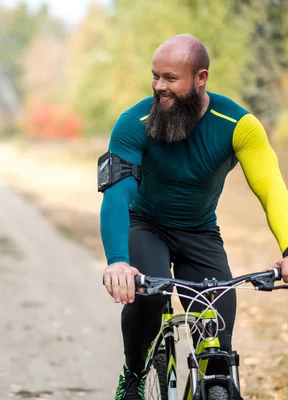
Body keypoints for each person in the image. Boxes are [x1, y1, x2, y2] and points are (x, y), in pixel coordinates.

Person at [98, 34, 288, 400]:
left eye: (170, 78)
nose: (158, 87)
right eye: (155, 76)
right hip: (146, 224)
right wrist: (118, 261)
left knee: (217, 338)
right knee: (148, 297)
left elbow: (271, 186)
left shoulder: (238, 124)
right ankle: (134, 374)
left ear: (201, 78)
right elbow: (117, 195)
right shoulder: (132, 122)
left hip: (200, 233)